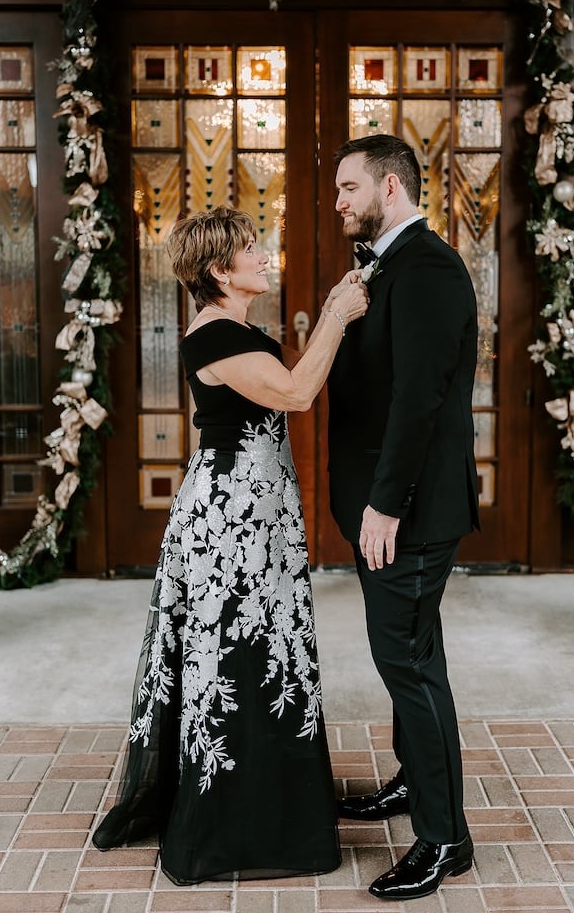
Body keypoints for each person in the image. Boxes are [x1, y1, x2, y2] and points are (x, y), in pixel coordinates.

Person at [92, 206, 368, 885]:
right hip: (231, 525)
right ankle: (231, 828)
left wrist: (335, 307)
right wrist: (336, 313)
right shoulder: (213, 335)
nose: (265, 256)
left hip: (258, 517)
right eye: (252, 250)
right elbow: (298, 393)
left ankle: (271, 803)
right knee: (238, 656)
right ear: (219, 270)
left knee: (268, 656)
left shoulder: (235, 327)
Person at [328, 134, 480, 901]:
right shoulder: (388, 263)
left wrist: (384, 504)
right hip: (388, 508)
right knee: (412, 655)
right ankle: (412, 782)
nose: (338, 202)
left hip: (409, 513)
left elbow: (420, 399)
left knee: (408, 664)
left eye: (349, 188)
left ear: (391, 187)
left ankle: (445, 837)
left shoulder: (426, 269)